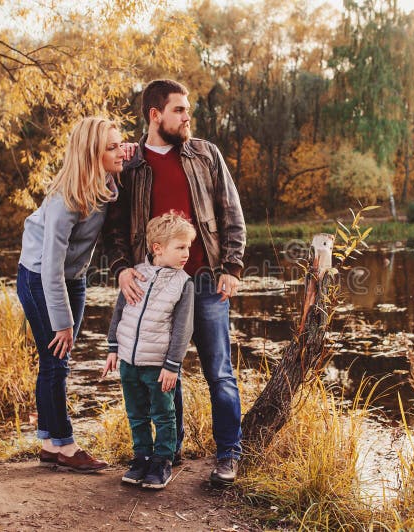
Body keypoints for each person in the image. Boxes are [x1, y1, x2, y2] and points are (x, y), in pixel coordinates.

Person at [103, 79, 246, 485]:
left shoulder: (206, 155)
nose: (187, 117)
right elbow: (112, 230)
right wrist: (121, 269)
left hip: (206, 283)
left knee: (219, 373)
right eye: (179, 110)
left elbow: (231, 214)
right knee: (168, 372)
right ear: (155, 114)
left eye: (187, 110)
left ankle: (228, 455)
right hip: (156, 287)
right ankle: (171, 451)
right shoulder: (129, 165)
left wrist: (231, 269)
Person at [17, 116, 123, 472]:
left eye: (119, 144)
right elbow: (49, 269)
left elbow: (127, 160)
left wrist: (127, 151)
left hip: (73, 277)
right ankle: (66, 446)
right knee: (57, 362)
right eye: (111, 147)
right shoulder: (66, 200)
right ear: (91, 155)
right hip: (39, 278)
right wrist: (62, 322)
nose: (119, 151)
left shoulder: (106, 182)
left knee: (53, 363)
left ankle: (48, 443)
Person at [103, 211, 195, 489]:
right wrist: (112, 348)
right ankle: (141, 457)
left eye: (188, 247)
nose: (186, 253)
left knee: (164, 414)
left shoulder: (184, 283)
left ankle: (162, 461)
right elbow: (120, 312)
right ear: (157, 248)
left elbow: (182, 329)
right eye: (180, 247)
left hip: (158, 365)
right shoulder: (136, 274)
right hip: (129, 361)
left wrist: (172, 365)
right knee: (136, 413)